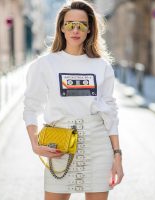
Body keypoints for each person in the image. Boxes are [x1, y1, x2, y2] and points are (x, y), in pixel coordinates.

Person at [23, 1, 123, 199]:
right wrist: (34, 143)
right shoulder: (45, 65)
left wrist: (117, 155)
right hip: (60, 145)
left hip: (98, 146)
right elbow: (31, 107)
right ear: (61, 27)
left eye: (82, 25)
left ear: (89, 29)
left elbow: (110, 112)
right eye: (70, 24)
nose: (75, 29)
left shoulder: (101, 66)